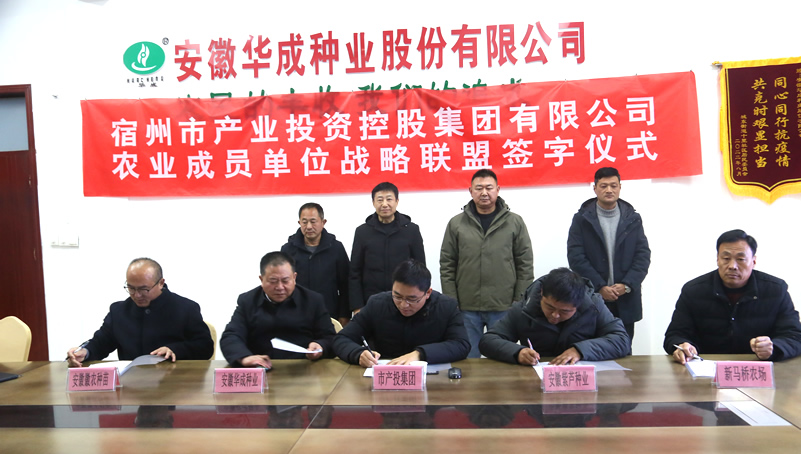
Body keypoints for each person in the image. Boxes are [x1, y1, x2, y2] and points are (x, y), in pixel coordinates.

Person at [664, 230, 801, 364]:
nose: (732, 266)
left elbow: (795, 336)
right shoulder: (694, 291)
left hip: (758, 368)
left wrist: (774, 348)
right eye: (726, 258)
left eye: (740, 259)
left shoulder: (776, 290)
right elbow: (675, 334)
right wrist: (682, 346)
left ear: (753, 261)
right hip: (707, 368)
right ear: (717, 259)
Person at [440, 168, 533, 358]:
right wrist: (451, 300)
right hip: (466, 305)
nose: (484, 193)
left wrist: (520, 299)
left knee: (502, 357)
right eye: (479, 188)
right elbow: (447, 264)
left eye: (489, 188)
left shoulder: (514, 222)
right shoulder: (456, 224)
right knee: (468, 357)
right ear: (470, 191)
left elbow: (524, 263)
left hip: (503, 304)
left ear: (497, 190)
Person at [66, 258, 213, 367]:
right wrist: (85, 352)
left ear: (161, 283)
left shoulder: (185, 308)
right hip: (130, 385)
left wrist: (175, 349)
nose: (136, 295)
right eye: (131, 288)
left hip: (174, 384)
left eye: (144, 289)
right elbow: (101, 342)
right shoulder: (119, 311)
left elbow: (205, 347)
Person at [480, 267, 630, 365]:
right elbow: (489, 340)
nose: (555, 315)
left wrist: (580, 350)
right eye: (549, 307)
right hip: (536, 382)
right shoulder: (524, 308)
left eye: (565, 311)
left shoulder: (593, 306)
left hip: (583, 382)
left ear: (578, 305)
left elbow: (621, 340)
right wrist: (517, 352)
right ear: (542, 293)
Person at [334, 259, 470, 367]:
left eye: (412, 299)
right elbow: (341, 339)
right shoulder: (377, 304)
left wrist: (420, 354)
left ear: (428, 293)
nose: (403, 305)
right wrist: (358, 354)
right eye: (397, 296)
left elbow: (461, 344)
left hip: (431, 380)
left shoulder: (446, 307)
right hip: (384, 377)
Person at [567, 167, 650, 342]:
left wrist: (627, 285)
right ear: (595, 188)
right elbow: (576, 257)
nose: (609, 190)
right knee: (593, 349)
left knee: (624, 349)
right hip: (593, 298)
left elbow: (642, 255)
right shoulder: (582, 219)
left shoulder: (633, 218)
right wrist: (599, 286)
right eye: (603, 186)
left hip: (626, 298)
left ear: (620, 187)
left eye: (613, 185)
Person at [219, 251, 336, 368]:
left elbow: (330, 337)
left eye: (285, 281)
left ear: (294, 277)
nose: (280, 287)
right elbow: (231, 336)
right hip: (261, 368)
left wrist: (320, 346)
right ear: (261, 279)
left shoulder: (313, 300)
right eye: (273, 281)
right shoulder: (248, 301)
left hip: (304, 368)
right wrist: (244, 357)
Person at [349, 182, 425, 312]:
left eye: (389, 199)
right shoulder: (362, 232)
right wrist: (357, 307)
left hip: (404, 302)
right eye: (380, 200)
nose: (384, 204)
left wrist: (418, 301)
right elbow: (354, 272)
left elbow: (421, 269)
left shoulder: (411, 230)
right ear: (373, 202)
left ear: (397, 201)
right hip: (370, 301)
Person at [281, 202, 350, 326]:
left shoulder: (336, 248)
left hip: (329, 314)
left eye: (313, 221)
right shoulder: (288, 250)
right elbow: (283, 286)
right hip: (296, 315)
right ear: (299, 223)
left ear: (323, 222)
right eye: (304, 222)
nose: (308, 226)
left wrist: (344, 315)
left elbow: (345, 284)